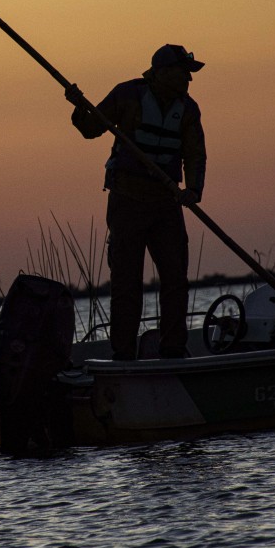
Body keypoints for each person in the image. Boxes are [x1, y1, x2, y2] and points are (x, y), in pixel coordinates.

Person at [65, 44, 207, 361]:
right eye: (184, 72)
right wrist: (79, 108)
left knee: (175, 279)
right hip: (127, 200)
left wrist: (193, 190)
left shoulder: (189, 110)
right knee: (126, 283)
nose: (188, 79)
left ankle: (173, 349)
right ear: (162, 71)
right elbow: (91, 129)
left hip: (166, 203)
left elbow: (195, 155)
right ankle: (124, 353)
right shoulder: (127, 95)